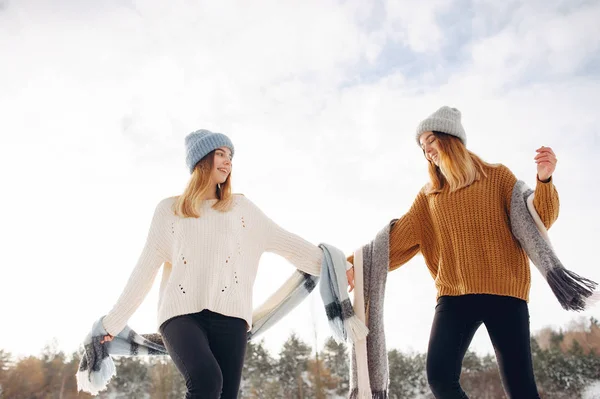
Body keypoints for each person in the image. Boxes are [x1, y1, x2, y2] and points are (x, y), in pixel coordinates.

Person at [99, 129, 353, 399]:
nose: (228, 161)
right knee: (207, 381)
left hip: (231, 318)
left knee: (227, 394)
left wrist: (338, 269)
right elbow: (144, 271)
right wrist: (112, 324)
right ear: (201, 160)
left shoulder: (242, 210)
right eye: (220, 153)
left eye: (230, 155)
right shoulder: (169, 211)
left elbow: (287, 243)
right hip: (180, 314)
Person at [347, 106, 558, 398]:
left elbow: (539, 219)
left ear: (450, 138)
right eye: (422, 146)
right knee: (440, 378)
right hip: (455, 297)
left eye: (430, 140)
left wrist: (544, 180)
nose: (427, 150)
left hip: (505, 292)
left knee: (521, 389)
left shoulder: (498, 178)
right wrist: (352, 265)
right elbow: (395, 240)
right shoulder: (430, 196)